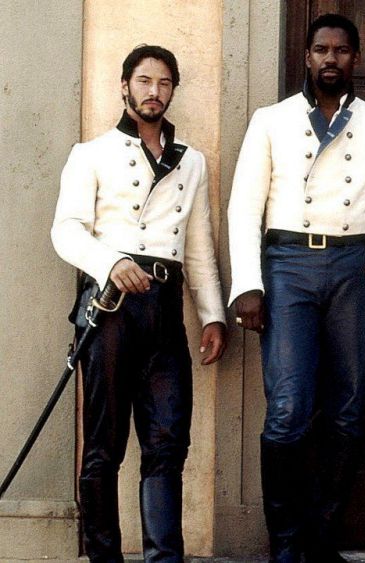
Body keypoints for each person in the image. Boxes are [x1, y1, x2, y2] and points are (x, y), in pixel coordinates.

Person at [227, 13, 365, 562]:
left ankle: (322, 541)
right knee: (288, 408)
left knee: (348, 407)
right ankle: (285, 545)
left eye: (341, 51)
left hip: (353, 267)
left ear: (356, 59)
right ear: (307, 56)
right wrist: (248, 284)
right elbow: (243, 208)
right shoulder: (270, 121)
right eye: (321, 49)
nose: (330, 59)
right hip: (287, 264)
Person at [51, 45, 227, 562]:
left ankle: (163, 558)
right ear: (124, 86)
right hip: (110, 310)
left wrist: (212, 315)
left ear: (173, 91)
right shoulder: (91, 154)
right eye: (145, 81)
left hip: (165, 311)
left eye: (164, 83)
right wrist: (109, 263)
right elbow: (65, 230)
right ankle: (104, 557)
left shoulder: (191, 162)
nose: (154, 92)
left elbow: (198, 247)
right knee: (104, 446)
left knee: (168, 441)